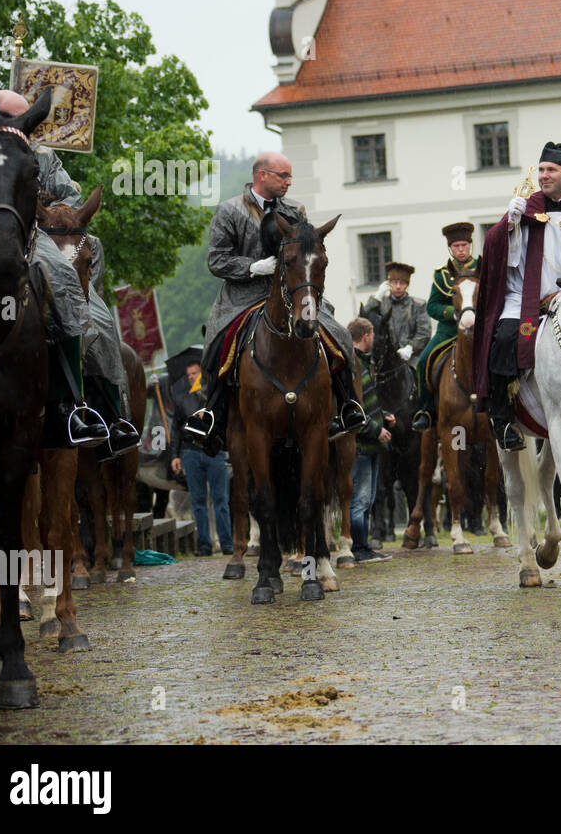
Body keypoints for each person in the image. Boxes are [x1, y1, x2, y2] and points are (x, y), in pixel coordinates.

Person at [183, 152, 365, 452]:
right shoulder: (230, 211)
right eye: (283, 176)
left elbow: (309, 253)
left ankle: (347, 405)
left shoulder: (296, 210)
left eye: (290, 176)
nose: (289, 182)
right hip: (243, 295)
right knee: (218, 343)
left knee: (339, 333)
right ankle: (211, 413)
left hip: (293, 292)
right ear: (262, 175)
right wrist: (253, 267)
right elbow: (216, 261)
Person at [0, 88, 134, 453]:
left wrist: (47, 207)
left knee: (95, 313)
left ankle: (96, 412)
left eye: (30, 119)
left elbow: (71, 199)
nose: (27, 127)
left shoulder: (43, 155)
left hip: (44, 235)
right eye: (17, 119)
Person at [472, 142, 561, 451]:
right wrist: (509, 223)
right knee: (504, 338)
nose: (544, 176)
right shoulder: (525, 208)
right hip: (524, 298)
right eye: (541, 170)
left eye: (552, 170)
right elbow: (495, 252)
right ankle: (503, 420)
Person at [412, 223, 478, 433]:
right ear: (450, 248)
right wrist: (454, 313)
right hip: (448, 332)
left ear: (470, 245)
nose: (461, 249)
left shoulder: (481, 268)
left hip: (477, 331)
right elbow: (432, 306)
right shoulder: (441, 275)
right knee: (423, 361)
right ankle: (426, 410)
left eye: (464, 245)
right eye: (456, 246)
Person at [169, 355, 231, 556]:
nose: (191, 377)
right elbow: (176, 428)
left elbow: (225, 419)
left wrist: (208, 412)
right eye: (188, 375)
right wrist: (175, 455)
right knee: (198, 500)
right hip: (191, 452)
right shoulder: (182, 398)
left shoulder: (213, 393)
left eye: (194, 373)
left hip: (215, 452)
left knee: (220, 499)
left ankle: (226, 543)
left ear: (202, 374)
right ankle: (204, 544)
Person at [347, 318, 394, 563]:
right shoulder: (352, 366)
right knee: (360, 501)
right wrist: (376, 430)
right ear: (366, 336)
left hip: (371, 445)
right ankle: (358, 548)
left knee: (368, 499)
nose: (374, 339)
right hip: (362, 446)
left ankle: (363, 545)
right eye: (372, 334)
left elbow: (367, 403)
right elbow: (352, 410)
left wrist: (383, 416)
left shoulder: (365, 364)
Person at [359, 259, 431, 388]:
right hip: (384, 357)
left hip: (411, 357)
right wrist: (376, 298)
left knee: (424, 378)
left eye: (402, 283)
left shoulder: (418, 305)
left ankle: (425, 406)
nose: (398, 286)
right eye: (394, 282)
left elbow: (424, 333)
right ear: (389, 283)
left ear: (407, 284)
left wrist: (411, 347)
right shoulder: (381, 303)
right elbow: (362, 321)